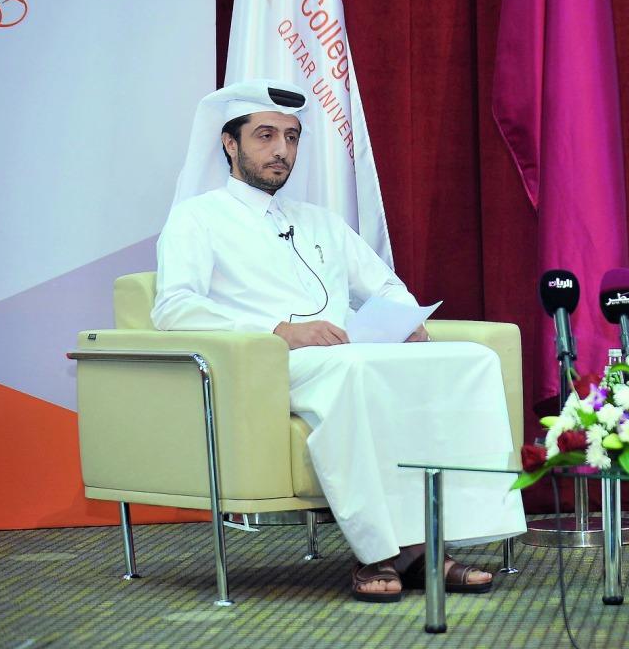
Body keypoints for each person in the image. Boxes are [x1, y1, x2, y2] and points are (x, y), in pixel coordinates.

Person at [152, 79, 525, 602]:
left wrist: (402, 319)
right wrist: (276, 332)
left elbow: (385, 285)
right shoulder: (197, 218)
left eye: (291, 136)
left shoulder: (319, 221)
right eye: (265, 135)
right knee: (353, 372)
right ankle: (380, 551)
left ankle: (433, 541)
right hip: (270, 363)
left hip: (348, 356)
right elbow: (173, 307)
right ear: (229, 144)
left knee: (470, 359)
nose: (282, 150)